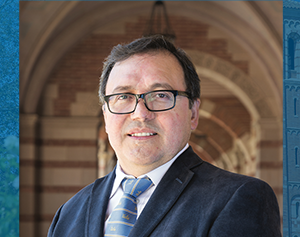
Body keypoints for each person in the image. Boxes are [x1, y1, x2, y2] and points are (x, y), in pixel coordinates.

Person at [47, 35, 281, 237]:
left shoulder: (240, 198)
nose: (141, 114)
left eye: (160, 95)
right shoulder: (69, 213)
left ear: (193, 112)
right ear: (106, 115)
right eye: (123, 97)